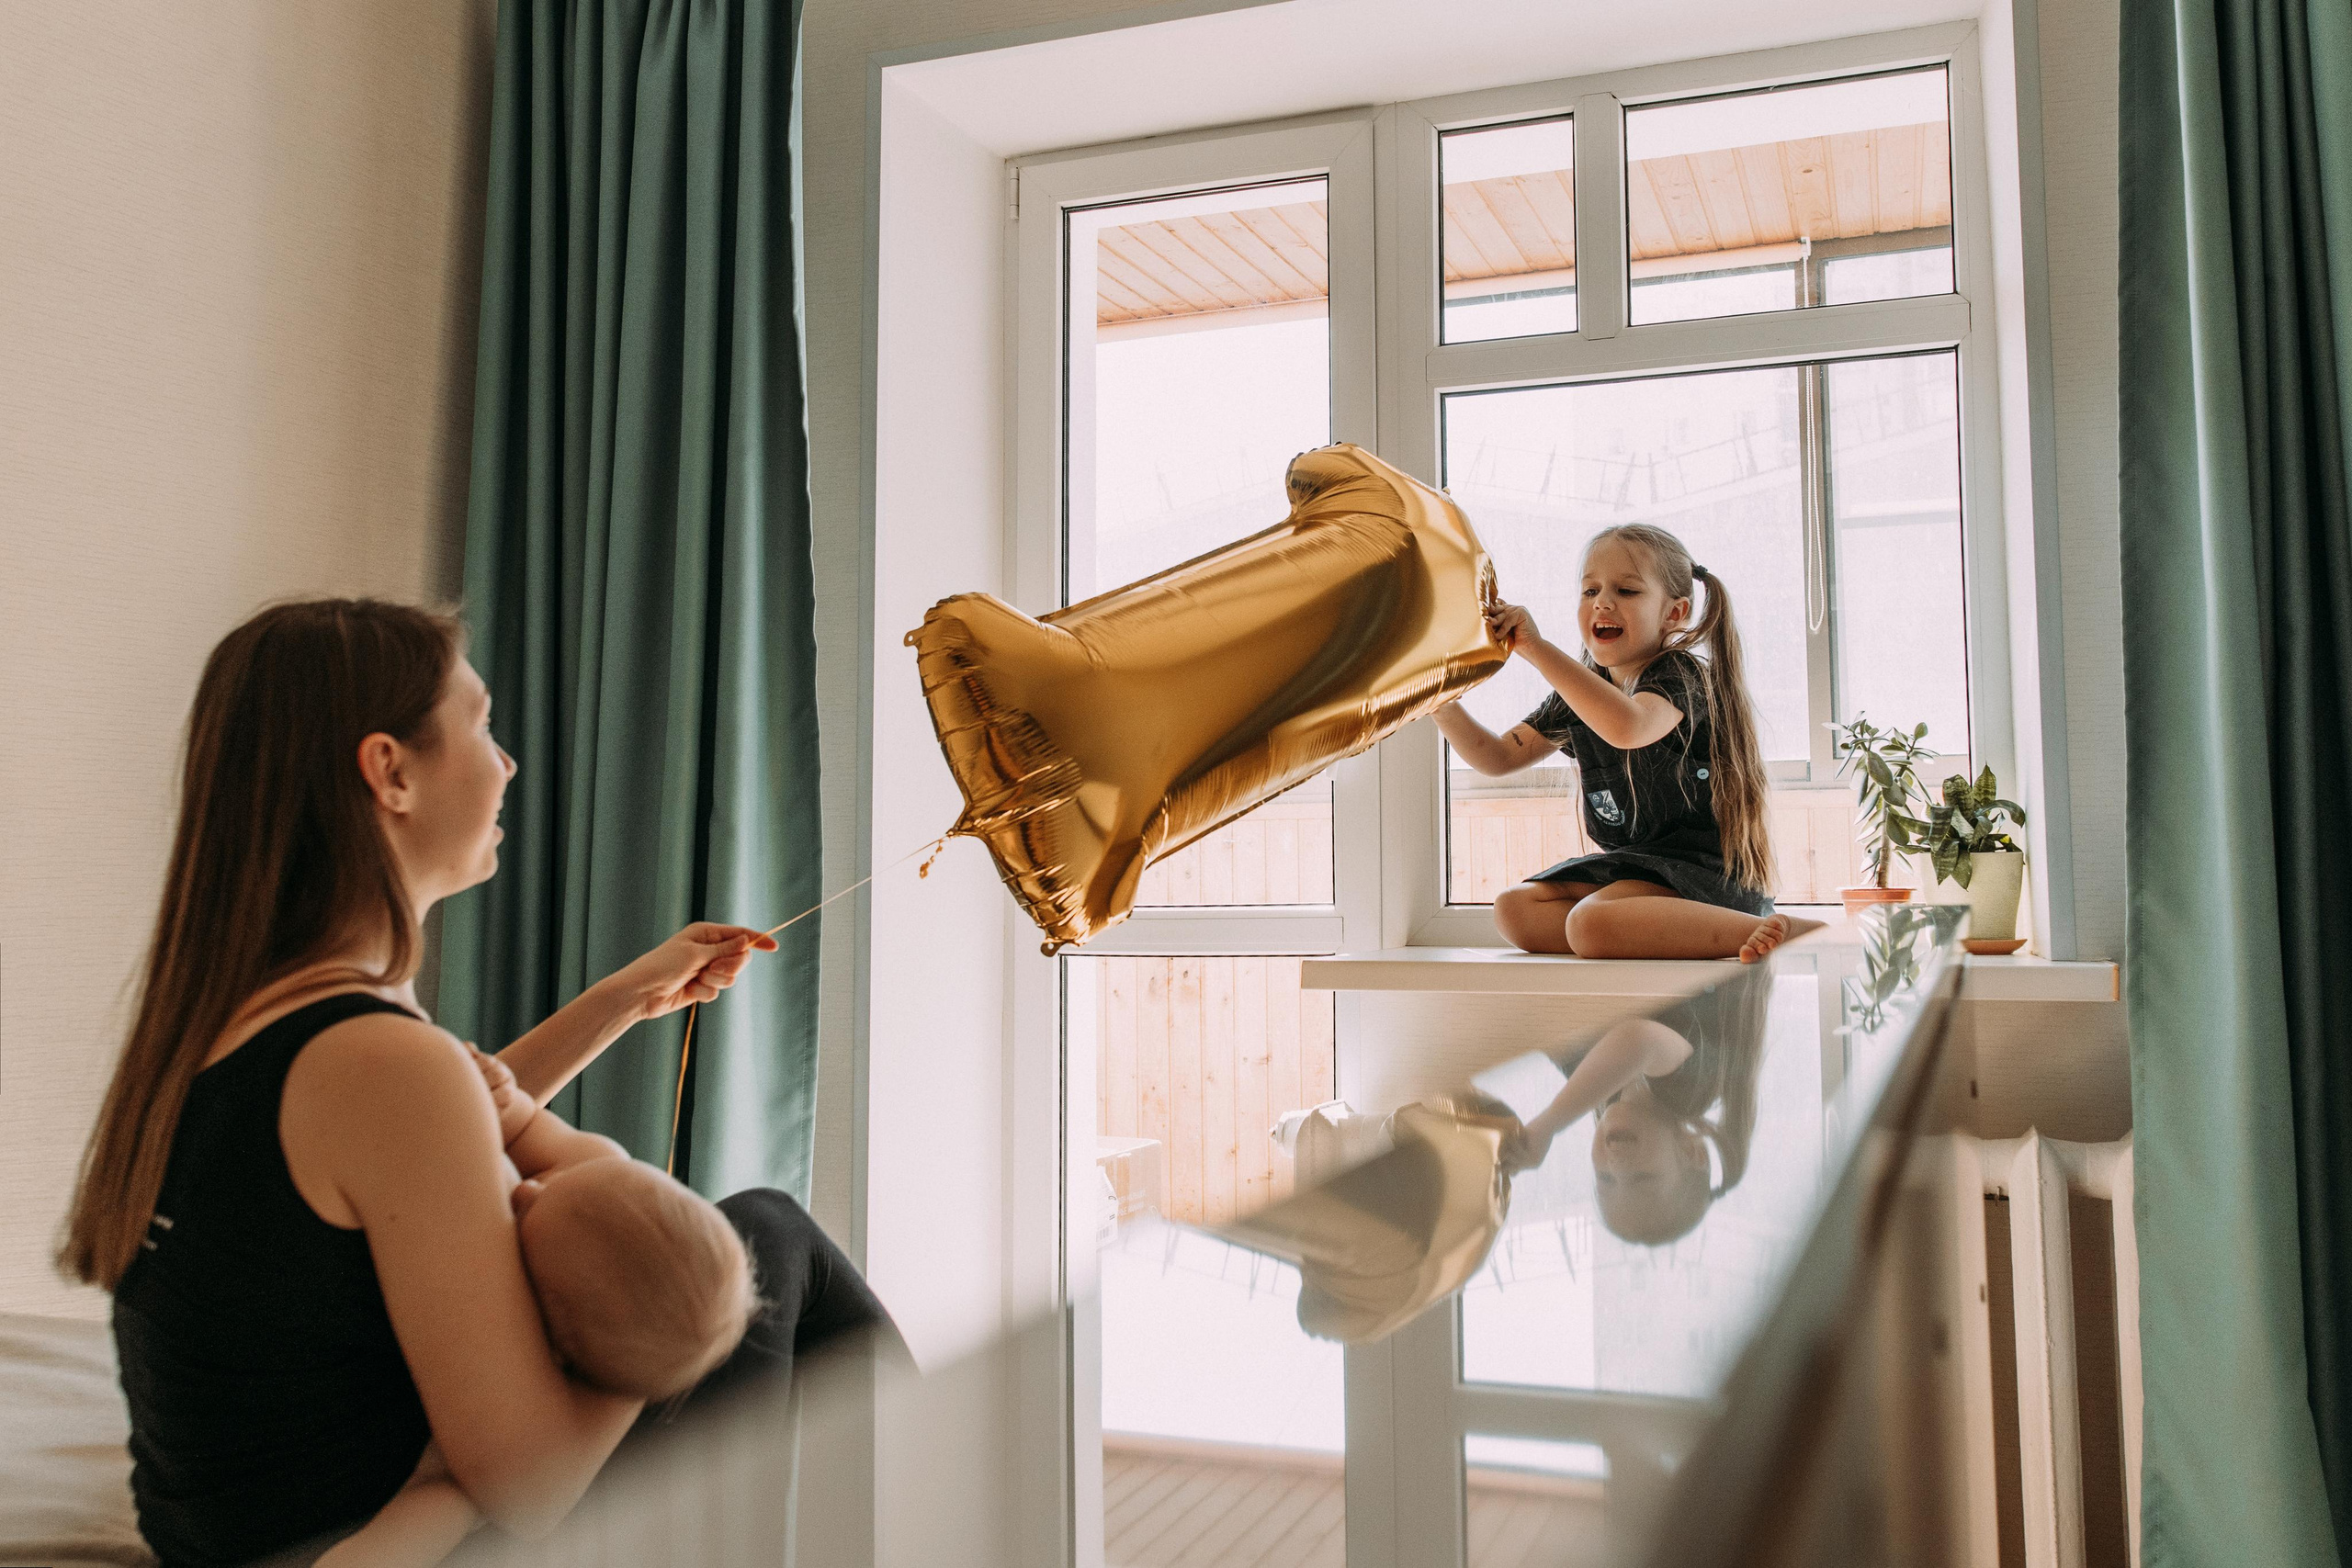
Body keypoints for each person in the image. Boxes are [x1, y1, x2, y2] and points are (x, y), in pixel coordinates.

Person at [57, 599, 895, 1568]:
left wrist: (621, 999)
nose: (504, 764)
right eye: (482, 724)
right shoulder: (380, 1067)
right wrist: (670, 1318)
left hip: (229, 1528)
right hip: (372, 1541)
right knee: (768, 1241)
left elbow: (444, 1140)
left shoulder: (241, 1010)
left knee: (757, 1236)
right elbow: (530, 1488)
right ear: (392, 772)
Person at [317, 1052, 761, 1568]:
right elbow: (528, 1127)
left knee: (447, 1499)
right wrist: (499, 1097)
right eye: (548, 1186)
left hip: (453, 1477)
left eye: (526, 1217)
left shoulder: (571, 1354)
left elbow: (526, 1495)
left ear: (555, 1343)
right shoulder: (595, 1171)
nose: (526, 1190)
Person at [1434, 523, 1819, 963]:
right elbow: (1496, 758)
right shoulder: (1580, 692)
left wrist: (1536, 648)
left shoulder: (1680, 673)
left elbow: (1629, 727)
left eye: (1627, 591)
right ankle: (1646, 933)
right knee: (1515, 909)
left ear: (1674, 614)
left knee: (1589, 924)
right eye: (1590, 590)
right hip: (1637, 870)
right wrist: (1437, 699)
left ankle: (1770, 930)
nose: (1602, 601)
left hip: (1703, 874)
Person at [1500, 975, 1771, 1246]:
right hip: (1689, 941)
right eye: (1642, 1178)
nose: (1618, 1166)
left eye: (1605, 1179)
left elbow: (1534, 1011)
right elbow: (1638, 1039)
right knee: (1584, 932)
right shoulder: (1692, 1091)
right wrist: (1547, 1127)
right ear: (1693, 1152)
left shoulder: (1593, 1079)